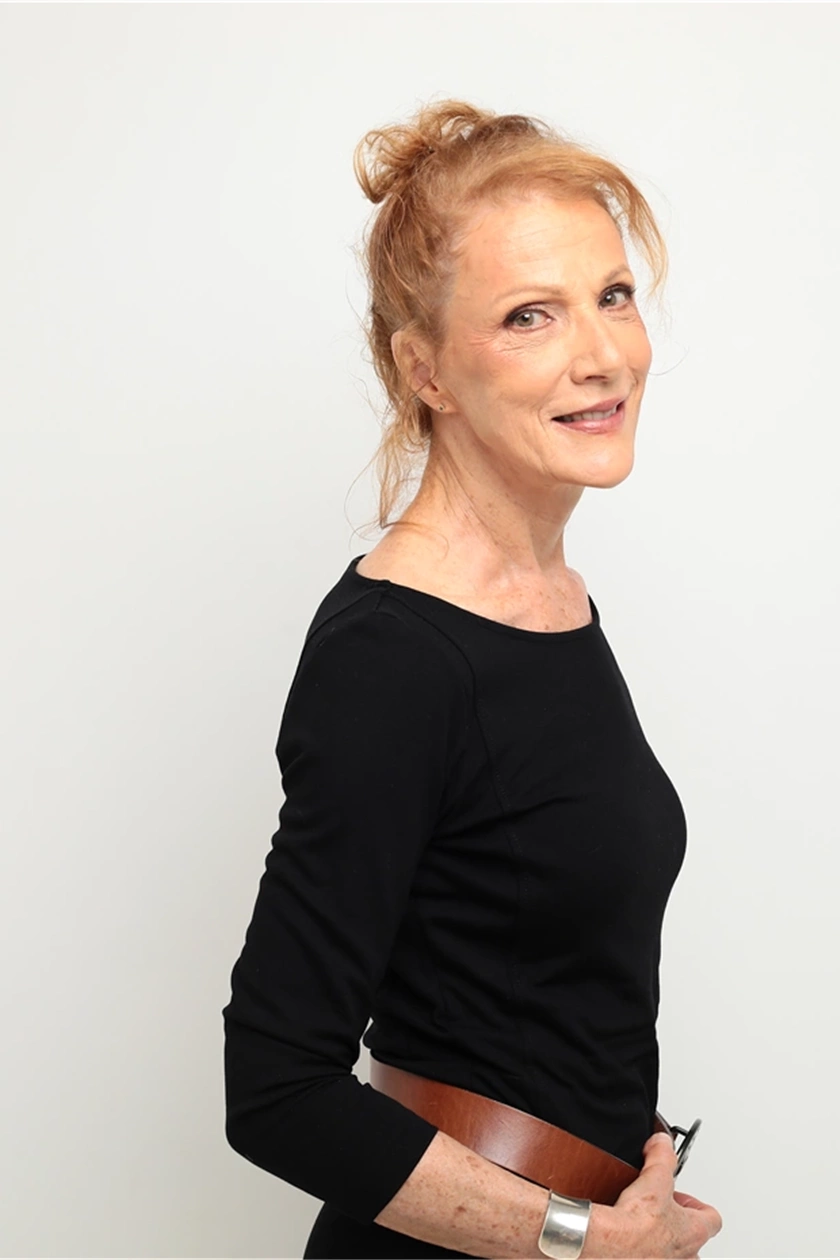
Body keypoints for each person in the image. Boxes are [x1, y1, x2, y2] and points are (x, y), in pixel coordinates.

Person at [221, 99, 724, 1259]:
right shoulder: (391, 656)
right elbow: (276, 1086)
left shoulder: (550, 595)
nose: (602, 355)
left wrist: (631, 1157)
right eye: (528, 315)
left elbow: (523, 972)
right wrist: (584, 1236)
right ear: (426, 369)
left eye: (612, 294)